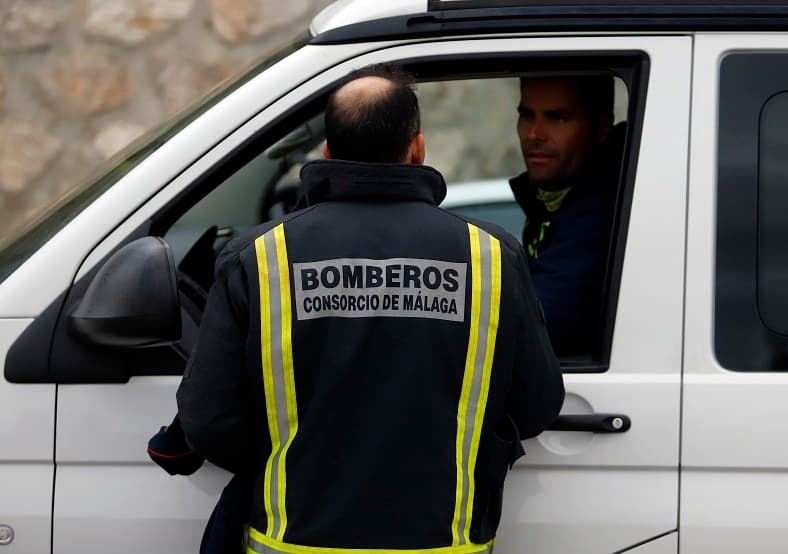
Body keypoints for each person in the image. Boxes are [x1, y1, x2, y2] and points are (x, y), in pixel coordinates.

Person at [177, 63, 564, 554]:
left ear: (327, 152)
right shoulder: (489, 255)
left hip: (294, 544)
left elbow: (209, 420)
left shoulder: (259, 257)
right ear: (418, 148)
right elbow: (536, 405)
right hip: (443, 544)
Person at [509, 75, 624, 358]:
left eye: (557, 118)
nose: (534, 133)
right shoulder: (552, 199)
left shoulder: (606, 212)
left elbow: (533, 325)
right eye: (527, 115)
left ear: (601, 128)